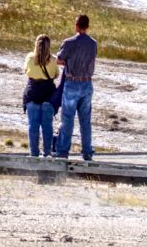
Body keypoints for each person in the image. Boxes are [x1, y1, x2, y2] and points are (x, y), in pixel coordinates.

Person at [54, 13, 98, 162]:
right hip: (87, 82)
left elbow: (59, 60)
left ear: (76, 25)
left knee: (67, 118)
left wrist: (69, 63)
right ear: (88, 26)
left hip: (72, 82)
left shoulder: (69, 42)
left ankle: (63, 151)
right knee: (85, 120)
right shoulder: (93, 43)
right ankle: (87, 151)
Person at [22, 32, 60, 158]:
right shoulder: (53, 60)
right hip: (48, 94)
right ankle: (47, 153)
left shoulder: (30, 57)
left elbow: (26, 71)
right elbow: (56, 75)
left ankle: (34, 153)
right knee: (47, 126)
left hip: (32, 93)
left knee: (33, 126)